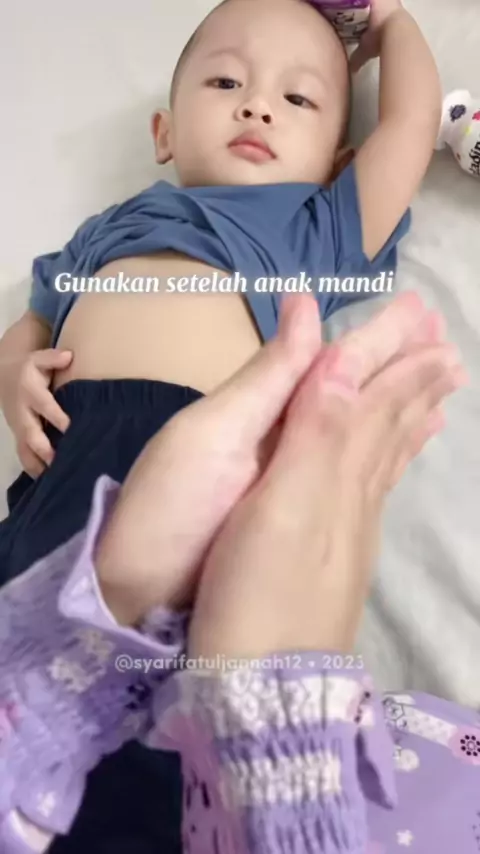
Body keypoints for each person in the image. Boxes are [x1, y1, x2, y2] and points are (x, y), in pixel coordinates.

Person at [0, 0, 441, 847]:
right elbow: (35, 318)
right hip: (62, 457)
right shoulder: (107, 230)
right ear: (165, 133)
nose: (258, 106)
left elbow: (411, 126)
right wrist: (14, 369)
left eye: (298, 98)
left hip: (200, 456)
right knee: (26, 642)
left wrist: (390, 23)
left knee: (159, 708)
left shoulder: (315, 226)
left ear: (335, 163)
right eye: (226, 82)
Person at [0, 293, 472, 853]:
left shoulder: (306, 240)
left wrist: (280, 749)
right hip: (95, 468)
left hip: (150, 430)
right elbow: (35, 317)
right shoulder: (85, 252)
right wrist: (109, 613)